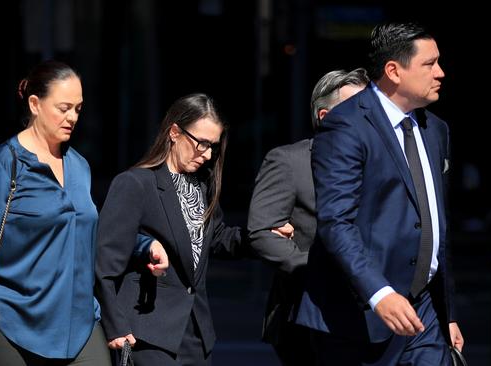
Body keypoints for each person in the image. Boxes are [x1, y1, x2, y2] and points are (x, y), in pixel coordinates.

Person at [0, 60, 167, 366]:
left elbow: (90, 232)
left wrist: (143, 245)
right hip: (13, 325)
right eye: (64, 107)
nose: (72, 117)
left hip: (79, 326)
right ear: (35, 104)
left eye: (78, 109)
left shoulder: (79, 166)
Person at [296, 22, 464, 364]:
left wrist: (448, 312)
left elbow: (435, 224)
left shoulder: (436, 130)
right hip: (358, 315)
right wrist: (380, 293)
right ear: (394, 71)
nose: (441, 73)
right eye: (429, 64)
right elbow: (335, 222)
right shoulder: (346, 125)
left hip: (425, 312)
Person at [95, 93, 292, 365]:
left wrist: (260, 236)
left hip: (197, 335)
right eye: (202, 144)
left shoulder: (202, 185)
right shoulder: (135, 183)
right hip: (147, 332)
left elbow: (217, 238)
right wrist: (115, 325)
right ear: (174, 132)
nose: (208, 155)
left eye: (213, 146)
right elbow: (105, 263)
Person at [247, 68, 368, 365]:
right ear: (325, 116)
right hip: (306, 312)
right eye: (357, 109)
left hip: (370, 312)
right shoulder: (289, 161)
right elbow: (261, 232)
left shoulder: (381, 162)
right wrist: (316, 268)